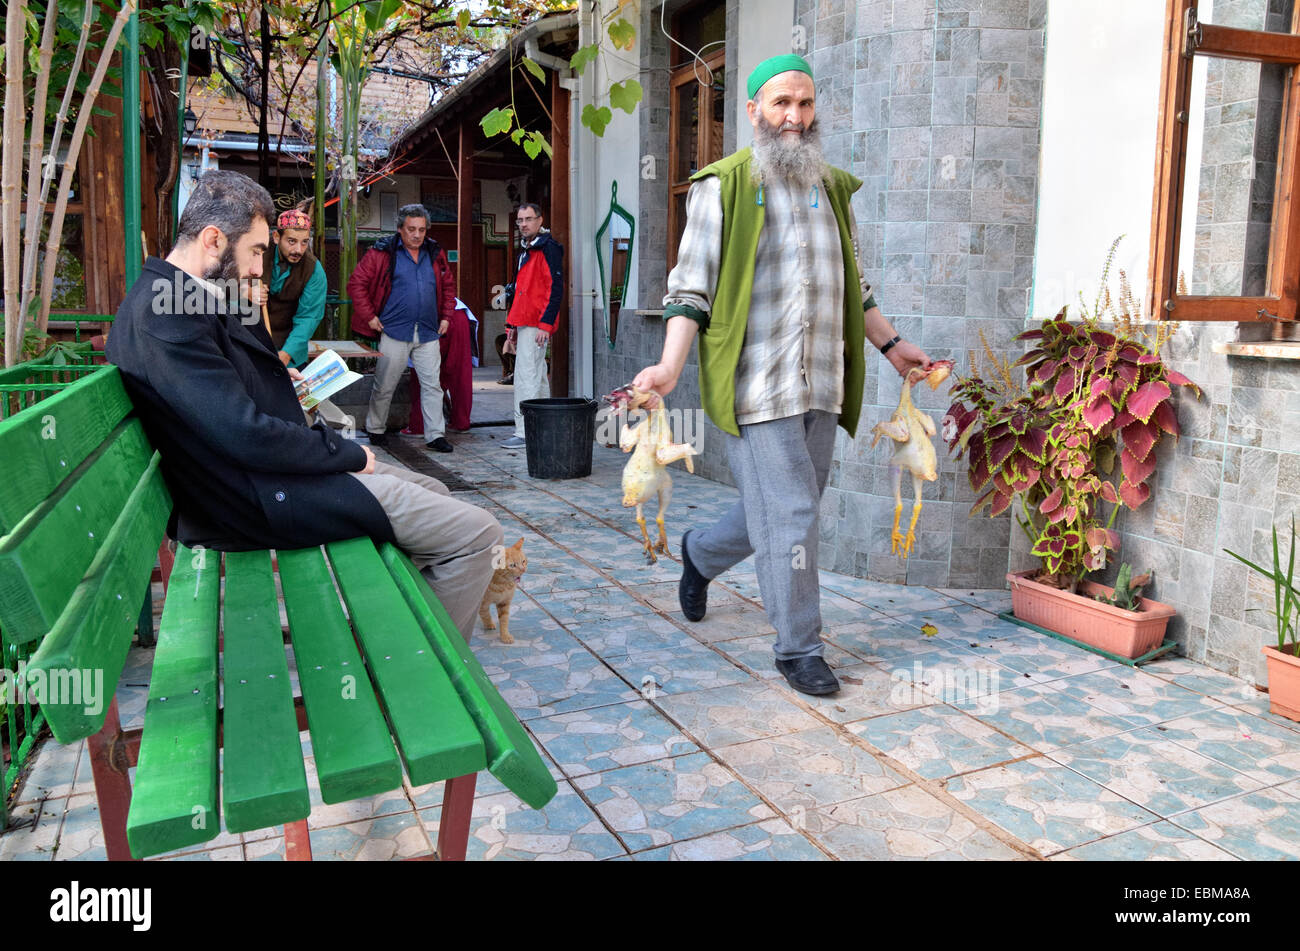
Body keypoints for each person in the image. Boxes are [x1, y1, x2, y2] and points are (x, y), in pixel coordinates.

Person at [631, 54, 933, 697]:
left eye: (804, 103)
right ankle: (799, 647)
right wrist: (668, 366)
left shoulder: (833, 188)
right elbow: (691, 290)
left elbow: (858, 285)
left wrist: (893, 346)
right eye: (780, 105)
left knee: (784, 508)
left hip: (822, 378)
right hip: (756, 382)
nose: (794, 117)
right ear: (753, 113)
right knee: (793, 512)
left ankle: (700, 554)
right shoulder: (724, 186)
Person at [106, 171, 502, 640]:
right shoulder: (166, 312)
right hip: (255, 498)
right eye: (255, 251)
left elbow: (222, 398)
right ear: (214, 239)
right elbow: (243, 433)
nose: (259, 268)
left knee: (436, 494)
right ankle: (428, 673)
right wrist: (348, 454)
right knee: (479, 534)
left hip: (263, 479)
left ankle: (394, 636)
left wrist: (280, 381)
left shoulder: (178, 296)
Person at [349, 203, 456, 453]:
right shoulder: (382, 252)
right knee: (385, 383)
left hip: (429, 330)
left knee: (432, 386)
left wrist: (446, 317)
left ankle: (435, 435)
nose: (417, 235)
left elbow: (449, 287)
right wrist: (370, 317)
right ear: (400, 229)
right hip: (394, 329)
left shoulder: (435, 252)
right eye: (411, 229)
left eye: (421, 229)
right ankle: (375, 429)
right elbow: (356, 284)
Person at [501, 203, 563, 450]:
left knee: (527, 377)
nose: (524, 224)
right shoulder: (527, 251)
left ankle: (524, 431)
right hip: (527, 322)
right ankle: (541, 427)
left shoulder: (548, 248)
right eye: (520, 220)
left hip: (537, 323)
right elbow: (520, 292)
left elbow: (555, 288)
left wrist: (546, 324)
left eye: (528, 219)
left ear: (540, 220)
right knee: (536, 377)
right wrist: (513, 323)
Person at [251, 208, 327, 368]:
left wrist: (286, 354)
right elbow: (223, 288)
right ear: (277, 237)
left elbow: (308, 318)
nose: (298, 250)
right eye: (292, 241)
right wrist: (246, 292)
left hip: (290, 348)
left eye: (304, 242)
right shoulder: (255, 254)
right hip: (251, 343)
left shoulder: (313, 269)